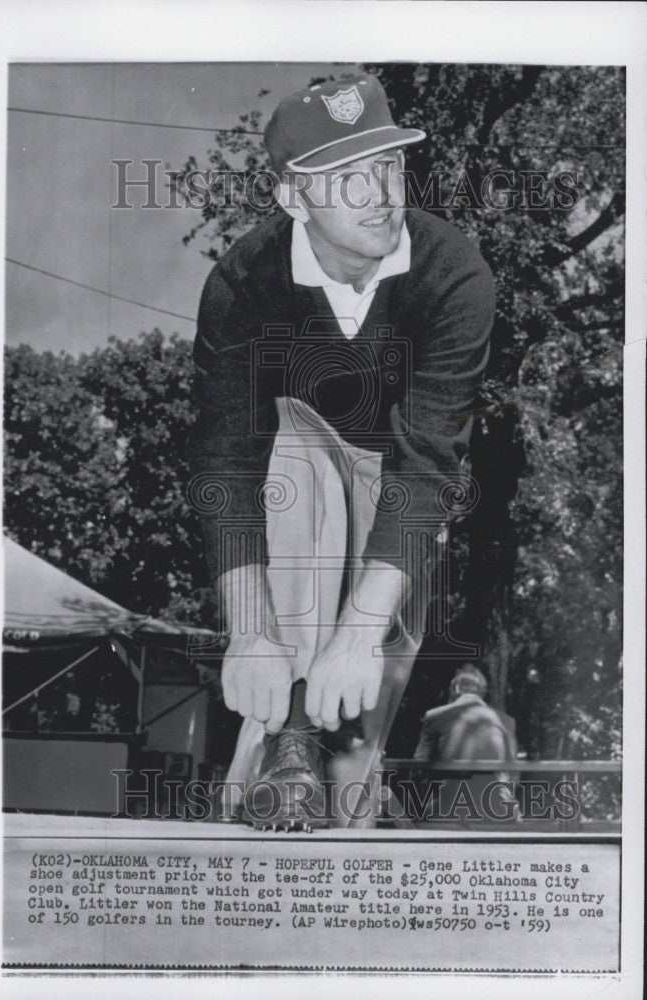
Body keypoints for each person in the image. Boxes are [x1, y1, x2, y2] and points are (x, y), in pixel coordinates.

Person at [188, 76, 495, 829]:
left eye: (387, 167)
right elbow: (226, 462)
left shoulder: (454, 274)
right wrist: (251, 631)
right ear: (295, 199)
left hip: (403, 469)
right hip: (298, 457)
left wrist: (358, 635)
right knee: (298, 458)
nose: (379, 193)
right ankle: (284, 744)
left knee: (363, 711)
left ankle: (348, 771)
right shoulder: (242, 284)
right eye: (346, 178)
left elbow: (426, 467)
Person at [413, 664, 519, 824]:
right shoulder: (505, 721)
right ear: (482, 692)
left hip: (445, 809)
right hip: (496, 810)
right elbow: (513, 771)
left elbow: (418, 766)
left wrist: (422, 804)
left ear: (454, 689)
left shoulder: (435, 716)